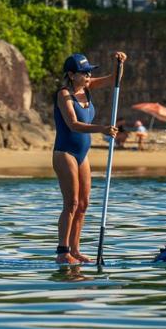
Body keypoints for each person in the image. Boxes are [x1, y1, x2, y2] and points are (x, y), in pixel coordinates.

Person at [52, 51, 126, 264]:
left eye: (89, 72)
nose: (88, 76)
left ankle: (75, 250)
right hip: (65, 153)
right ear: (71, 75)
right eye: (83, 72)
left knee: (84, 204)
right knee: (72, 203)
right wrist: (102, 128)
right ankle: (62, 252)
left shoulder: (88, 87)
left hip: (82, 155)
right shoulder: (64, 94)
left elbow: (115, 78)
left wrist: (119, 63)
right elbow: (73, 124)